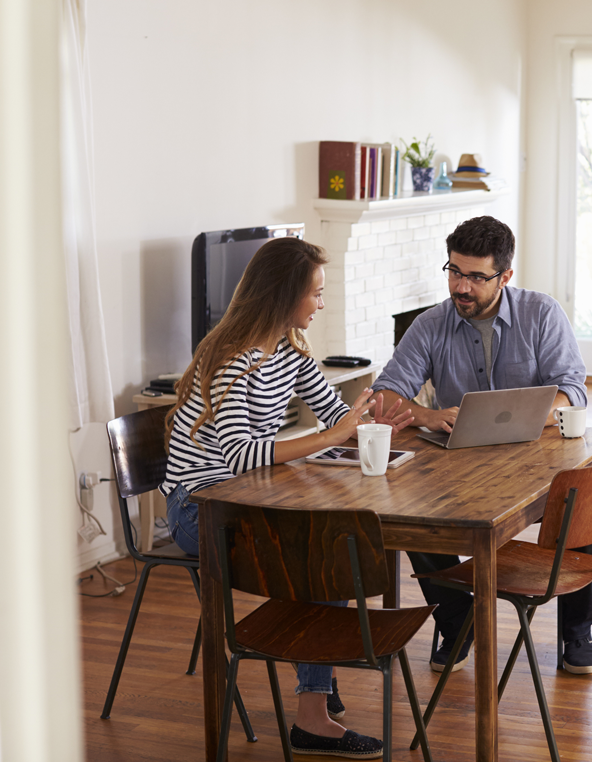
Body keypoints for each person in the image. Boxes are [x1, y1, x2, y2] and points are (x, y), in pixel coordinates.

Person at [161, 237, 412, 759]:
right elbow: (238, 456)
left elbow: (329, 408)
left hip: (250, 499)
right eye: (316, 293)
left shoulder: (289, 349)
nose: (321, 303)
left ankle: (315, 683)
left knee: (329, 545)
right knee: (321, 555)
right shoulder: (232, 359)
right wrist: (330, 438)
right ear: (283, 296)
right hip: (199, 509)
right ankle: (312, 718)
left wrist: (367, 422)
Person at [372, 215, 592, 675]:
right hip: (458, 463)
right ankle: (456, 618)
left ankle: (577, 626)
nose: (462, 286)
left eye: (477, 277)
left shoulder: (542, 313)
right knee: (408, 509)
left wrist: (535, 414)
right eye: (455, 271)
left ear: (505, 277)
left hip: (538, 454)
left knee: (585, 494)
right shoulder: (430, 324)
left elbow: (572, 388)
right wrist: (429, 416)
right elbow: (385, 396)